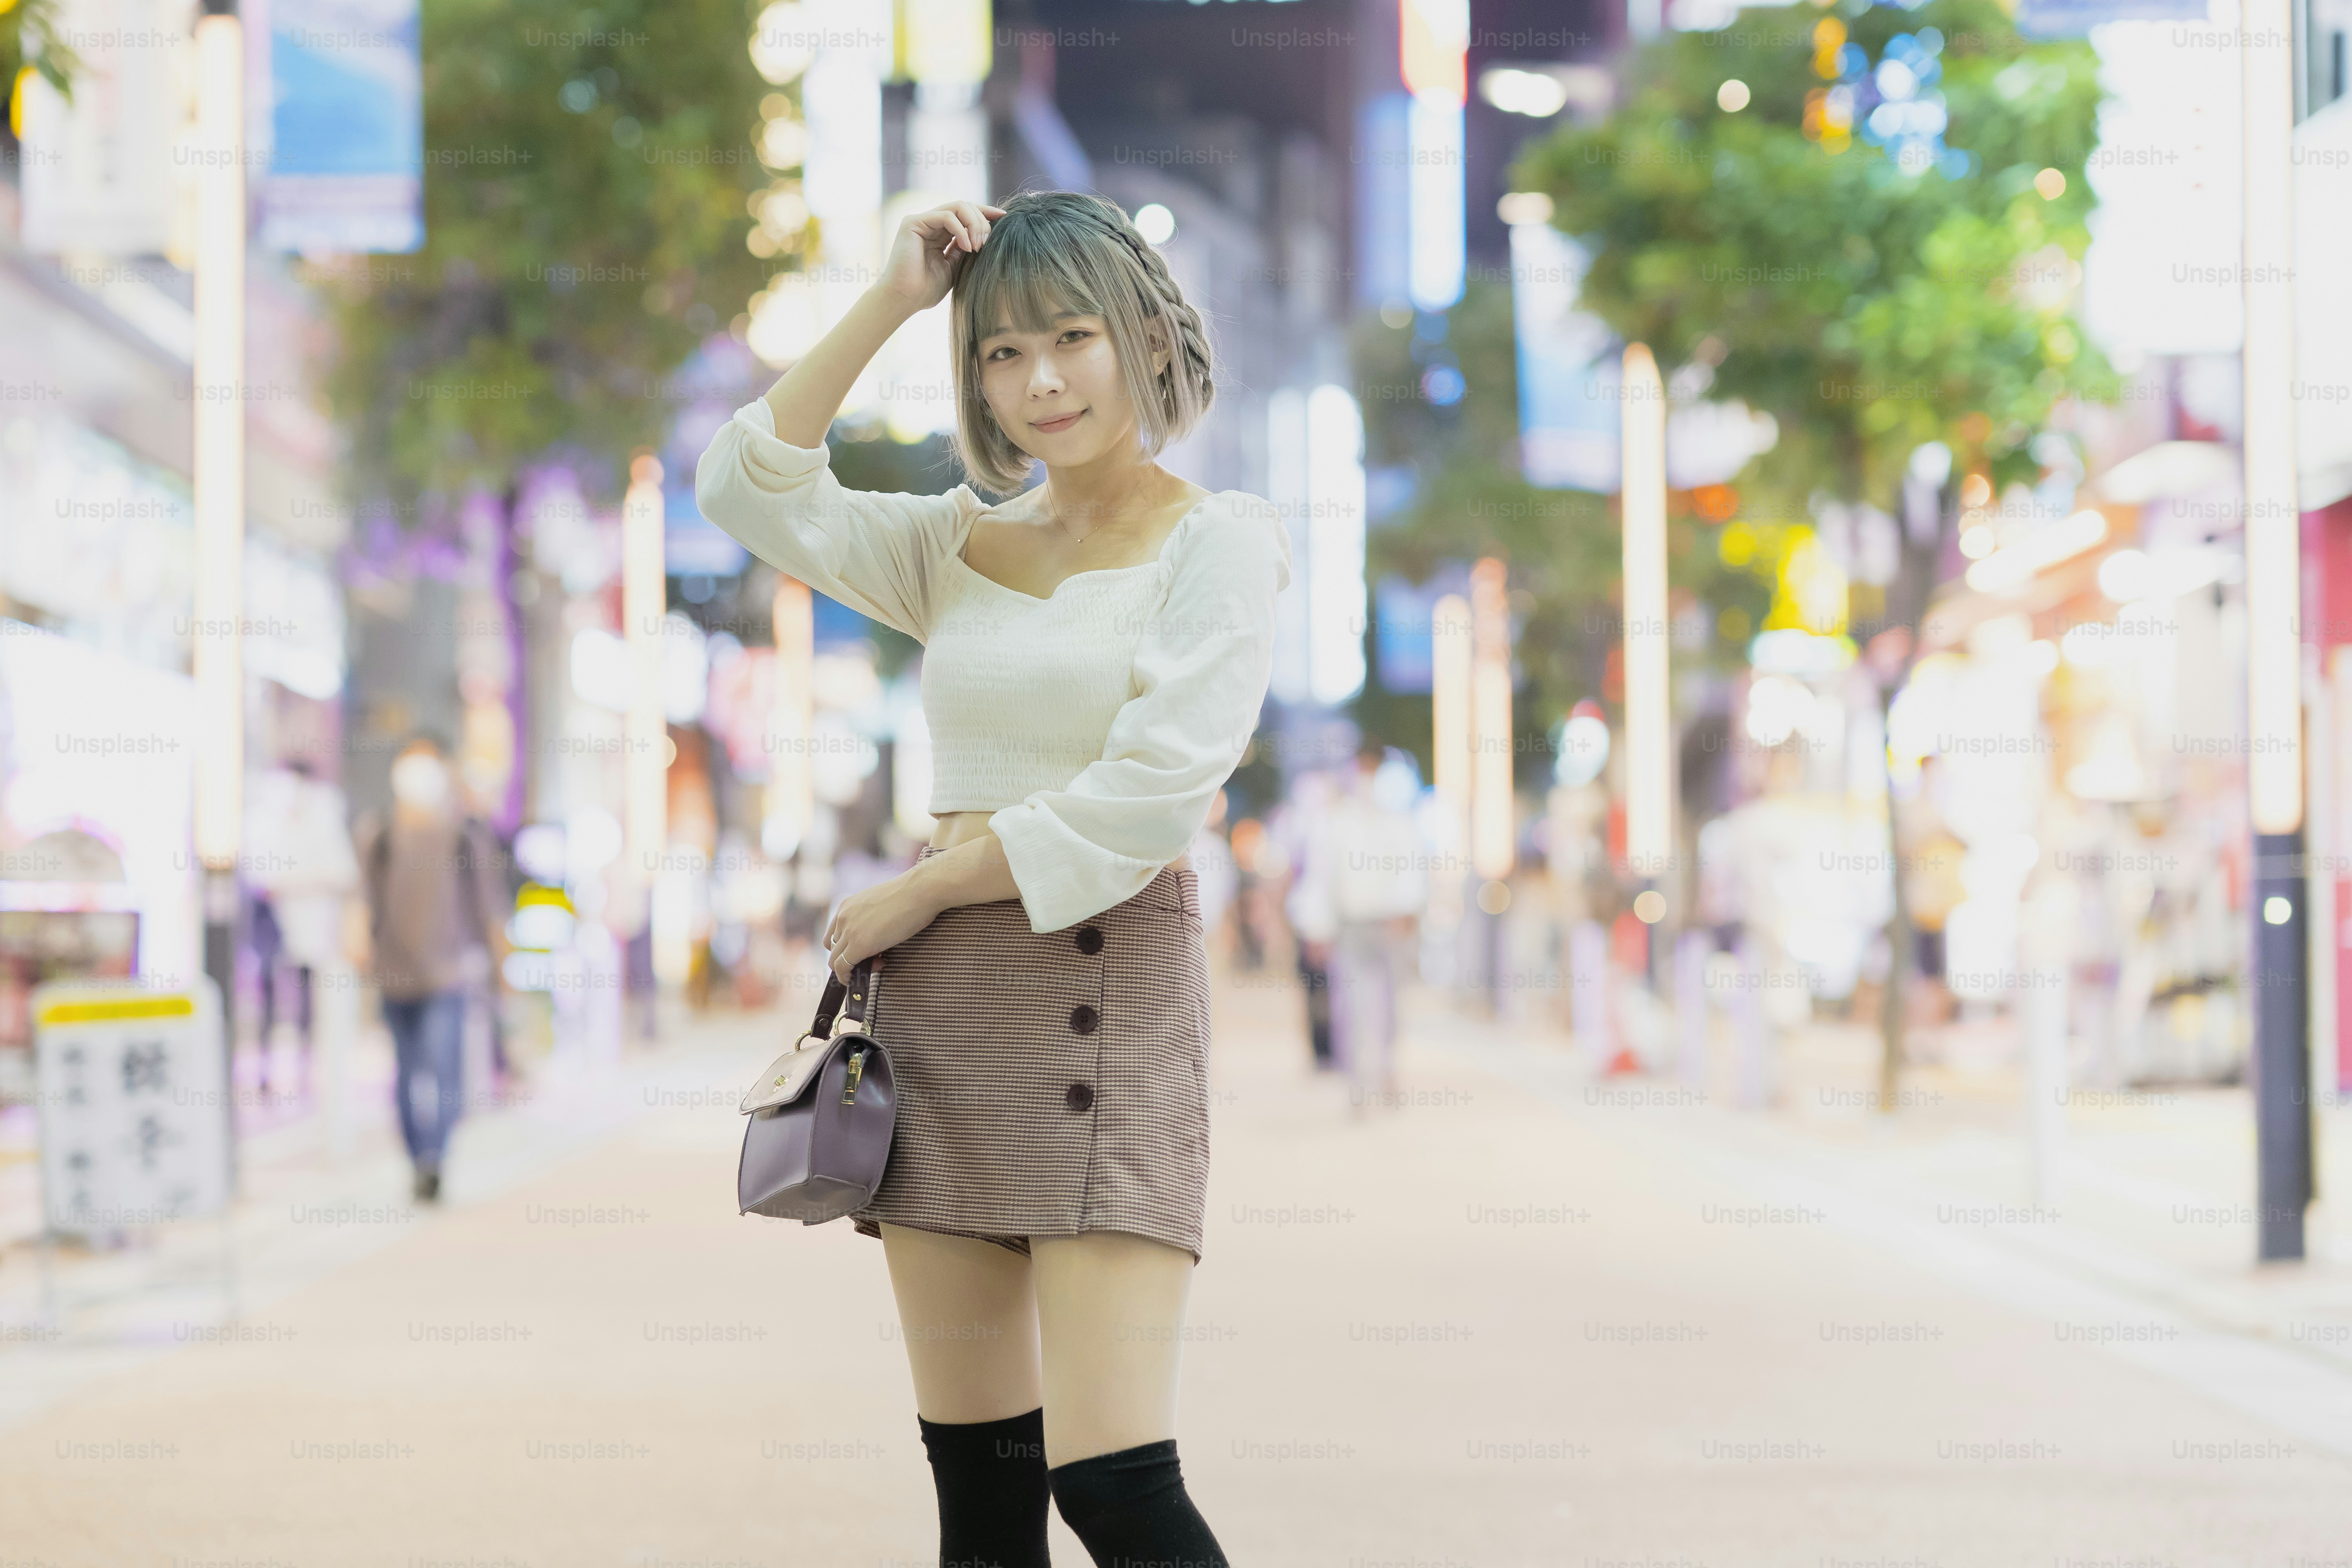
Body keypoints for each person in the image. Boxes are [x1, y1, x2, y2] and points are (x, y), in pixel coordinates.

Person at [696, 192, 1283, 1566]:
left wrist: (927, 890)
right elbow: (744, 484)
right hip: (945, 1019)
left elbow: (1158, 789)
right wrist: (896, 295)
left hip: (1101, 984)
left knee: (1116, 1485)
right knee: (984, 1495)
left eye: (1071, 337)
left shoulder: (1220, 541)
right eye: (1002, 353)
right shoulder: (951, 547)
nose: (1040, 382)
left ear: (1143, 335)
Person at [353, 734, 508, 1203]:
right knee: (405, 1071)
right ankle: (418, 1156)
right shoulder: (377, 833)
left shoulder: (465, 836)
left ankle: (434, 1158)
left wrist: (503, 970)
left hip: (448, 974)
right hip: (394, 973)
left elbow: (489, 910)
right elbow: (361, 901)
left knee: (443, 1071)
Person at [1288, 737, 1430, 1110]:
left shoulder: (1399, 820)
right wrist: (1318, 928)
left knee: (1390, 1006)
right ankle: (1358, 1083)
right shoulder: (1336, 822)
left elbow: (1411, 868)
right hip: (1350, 926)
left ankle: (1385, 1069)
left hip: (1389, 925)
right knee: (1350, 1006)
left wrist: (1405, 910)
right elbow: (1321, 877)